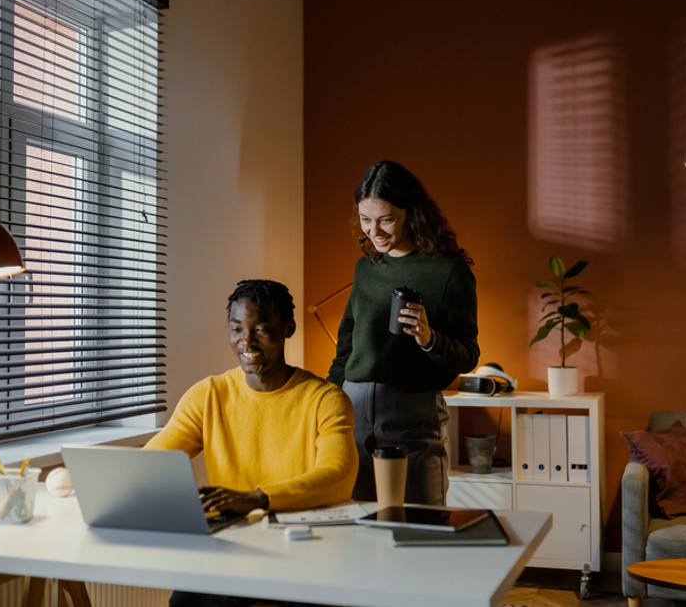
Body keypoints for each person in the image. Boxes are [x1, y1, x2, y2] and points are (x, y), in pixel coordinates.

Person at [145, 279, 358, 607]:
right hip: (231, 547)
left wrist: (257, 498)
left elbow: (338, 475)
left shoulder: (326, 399)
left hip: (306, 549)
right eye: (237, 328)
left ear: (289, 328)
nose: (247, 341)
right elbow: (153, 462)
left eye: (260, 328)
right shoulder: (208, 394)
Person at [328, 160, 480, 506]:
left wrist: (429, 338)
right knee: (358, 522)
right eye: (365, 220)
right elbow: (346, 345)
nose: (374, 232)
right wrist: (327, 399)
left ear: (412, 213)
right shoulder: (365, 268)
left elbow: (469, 355)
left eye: (386, 219)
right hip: (355, 411)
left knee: (422, 525)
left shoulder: (448, 270)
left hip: (414, 414)